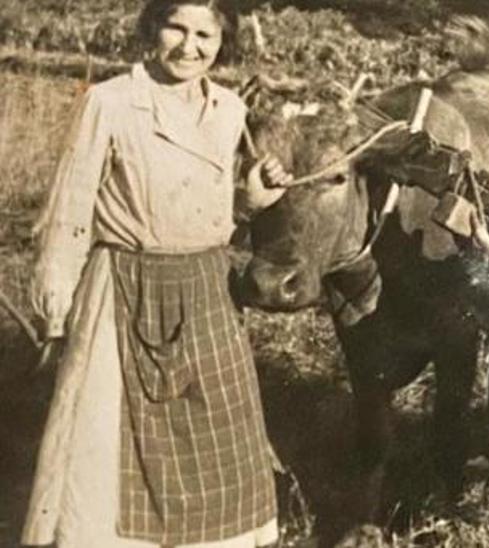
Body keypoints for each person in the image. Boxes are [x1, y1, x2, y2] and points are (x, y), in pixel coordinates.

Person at [22, 0, 290, 545]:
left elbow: (214, 212)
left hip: (206, 291)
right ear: (153, 28)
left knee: (220, 437)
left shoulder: (230, 110)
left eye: (205, 35)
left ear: (223, 42)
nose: (189, 47)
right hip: (123, 285)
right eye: (176, 27)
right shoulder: (111, 103)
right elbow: (69, 210)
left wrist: (251, 200)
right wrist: (56, 310)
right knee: (106, 445)